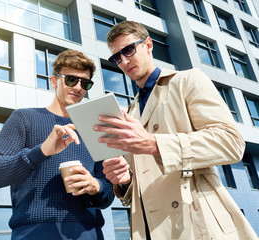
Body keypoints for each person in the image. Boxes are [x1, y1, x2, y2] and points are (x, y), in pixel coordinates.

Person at [95, 21, 258, 239]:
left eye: (128, 50)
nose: (123, 61)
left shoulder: (188, 80)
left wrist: (154, 144)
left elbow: (231, 142)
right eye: (116, 57)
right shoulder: (129, 113)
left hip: (196, 224)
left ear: (149, 45)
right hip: (148, 229)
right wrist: (124, 181)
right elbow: (141, 182)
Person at [0, 49, 114, 240]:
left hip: (88, 233)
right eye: (70, 80)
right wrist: (42, 151)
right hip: (34, 232)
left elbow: (107, 195)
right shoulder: (24, 118)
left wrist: (95, 186)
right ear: (54, 80)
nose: (78, 87)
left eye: (85, 83)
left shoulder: (95, 130)